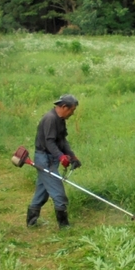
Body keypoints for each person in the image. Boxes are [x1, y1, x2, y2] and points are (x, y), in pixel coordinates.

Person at [27, 94, 82, 229]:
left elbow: (62, 141)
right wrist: (61, 157)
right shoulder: (50, 119)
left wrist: (72, 156)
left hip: (50, 157)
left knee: (42, 192)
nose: (72, 113)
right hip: (44, 158)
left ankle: (31, 222)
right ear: (64, 107)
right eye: (72, 110)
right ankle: (64, 226)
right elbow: (49, 142)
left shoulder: (60, 119)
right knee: (58, 193)